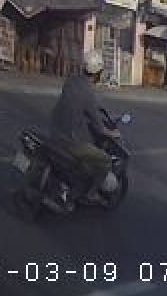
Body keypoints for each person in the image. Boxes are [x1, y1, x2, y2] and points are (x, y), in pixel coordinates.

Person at [48, 50, 118, 202]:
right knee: (105, 160)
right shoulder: (89, 93)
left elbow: (74, 103)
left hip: (54, 131)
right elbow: (99, 128)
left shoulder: (71, 81)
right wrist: (113, 133)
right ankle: (91, 193)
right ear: (98, 73)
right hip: (70, 141)